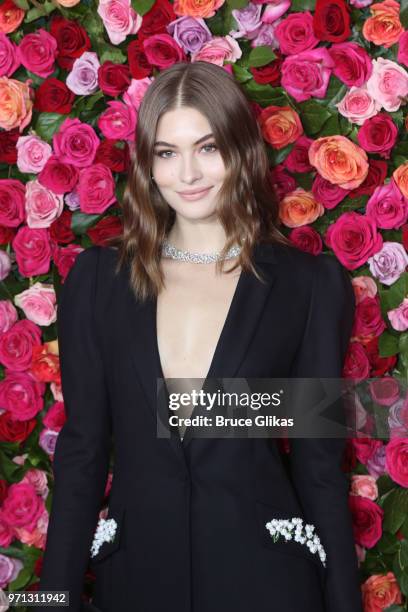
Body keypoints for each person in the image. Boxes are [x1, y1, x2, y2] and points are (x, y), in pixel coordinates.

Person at [38, 61, 363, 612]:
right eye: (167, 153)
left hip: (270, 586)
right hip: (138, 584)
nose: (187, 173)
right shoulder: (97, 282)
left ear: (241, 150)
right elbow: (82, 457)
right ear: (148, 163)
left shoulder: (307, 286)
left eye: (207, 148)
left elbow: (318, 467)